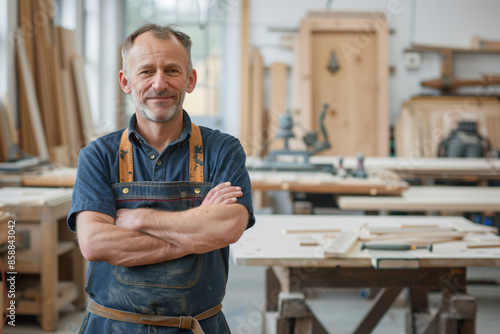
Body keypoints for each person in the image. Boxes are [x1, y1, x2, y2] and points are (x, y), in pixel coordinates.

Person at [67, 23, 255, 333]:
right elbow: (95, 242)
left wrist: (137, 218)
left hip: (197, 327)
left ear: (190, 80)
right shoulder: (98, 155)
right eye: (146, 72)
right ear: (125, 81)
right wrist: (197, 236)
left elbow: (227, 226)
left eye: (172, 70)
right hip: (113, 327)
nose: (159, 83)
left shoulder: (223, 150)